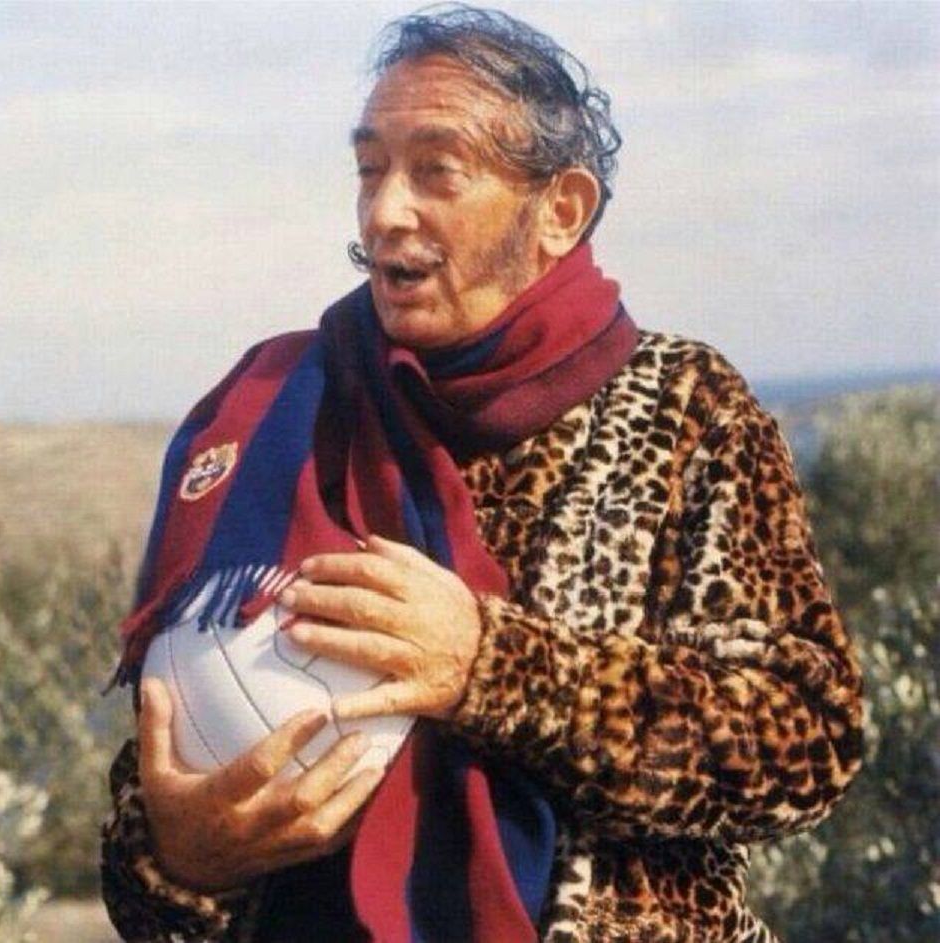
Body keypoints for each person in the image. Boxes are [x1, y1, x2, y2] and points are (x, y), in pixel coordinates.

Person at [100, 6, 864, 942]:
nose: (384, 211)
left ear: (560, 210)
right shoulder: (276, 413)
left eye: (436, 171)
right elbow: (161, 777)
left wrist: (490, 665)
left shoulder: (685, 408)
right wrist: (178, 861)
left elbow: (804, 741)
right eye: (370, 168)